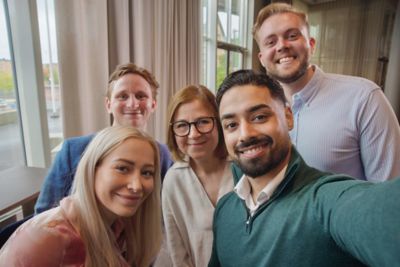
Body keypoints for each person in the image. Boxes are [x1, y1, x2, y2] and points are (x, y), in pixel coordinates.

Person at [208, 69, 400, 267]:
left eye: (259, 117)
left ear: (288, 116)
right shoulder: (225, 209)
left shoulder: (323, 201)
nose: (245, 134)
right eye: (231, 125)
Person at [252, 3, 400, 182]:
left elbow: (388, 191)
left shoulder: (364, 98)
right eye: (270, 42)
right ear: (262, 58)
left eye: (292, 36)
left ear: (311, 45)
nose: (282, 46)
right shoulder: (256, 110)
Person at [0, 126, 162, 266]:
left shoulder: (121, 226)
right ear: (92, 169)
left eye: (147, 173)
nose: (136, 186)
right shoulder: (46, 241)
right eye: (122, 168)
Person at [35, 63, 173, 214]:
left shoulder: (163, 155)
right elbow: (44, 214)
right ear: (108, 105)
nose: (132, 104)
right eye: (122, 96)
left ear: (153, 105)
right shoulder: (73, 150)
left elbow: (165, 213)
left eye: (141, 96)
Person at [161, 85, 233, 267]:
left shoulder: (244, 168)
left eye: (203, 122)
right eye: (182, 125)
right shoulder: (174, 180)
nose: (194, 134)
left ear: (218, 122)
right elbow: (177, 250)